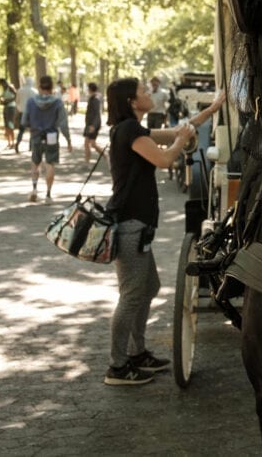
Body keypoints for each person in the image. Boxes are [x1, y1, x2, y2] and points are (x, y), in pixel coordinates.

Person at [102, 78, 226, 385]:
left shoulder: (133, 129)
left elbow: (178, 130)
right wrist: (182, 141)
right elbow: (165, 158)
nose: (148, 94)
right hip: (130, 225)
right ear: (132, 101)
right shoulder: (130, 130)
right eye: (143, 92)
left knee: (149, 288)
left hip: (137, 225)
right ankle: (118, 366)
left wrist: (212, 108)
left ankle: (137, 353)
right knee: (132, 295)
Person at [22, 75, 72, 204]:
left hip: (36, 135)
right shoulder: (58, 102)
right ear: (51, 88)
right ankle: (48, 195)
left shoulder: (31, 102)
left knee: (35, 162)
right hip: (52, 136)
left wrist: (32, 127)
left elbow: (24, 121)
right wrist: (68, 140)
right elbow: (63, 124)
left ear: (39, 87)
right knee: (50, 164)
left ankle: (34, 189)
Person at [14, 77, 37, 154]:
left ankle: (17, 144)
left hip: (22, 112)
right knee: (32, 130)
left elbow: (17, 101)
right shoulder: (35, 92)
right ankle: (31, 146)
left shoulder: (20, 90)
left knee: (21, 130)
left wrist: (19, 109)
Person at [83, 82, 103, 163]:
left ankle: (105, 155)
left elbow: (96, 114)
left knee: (90, 143)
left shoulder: (95, 100)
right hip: (90, 124)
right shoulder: (92, 98)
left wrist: (93, 126)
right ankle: (87, 161)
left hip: (93, 124)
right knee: (90, 143)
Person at [0, 78, 17, 150]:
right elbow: (2, 97)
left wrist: (8, 101)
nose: (3, 85)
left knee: (10, 124)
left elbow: (16, 95)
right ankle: (8, 143)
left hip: (11, 107)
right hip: (6, 107)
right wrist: (0, 99)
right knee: (6, 125)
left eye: (3, 83)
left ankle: (13, 142)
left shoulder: (10, 87)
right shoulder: (4, 90)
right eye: (1, 84)